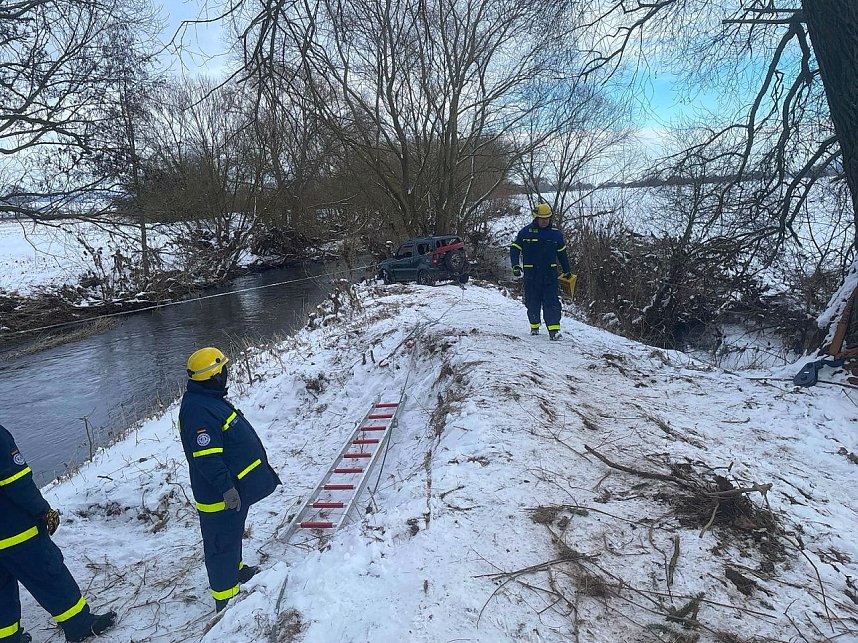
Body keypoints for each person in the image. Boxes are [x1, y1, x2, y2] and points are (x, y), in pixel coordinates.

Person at [178, 347, 281, 613]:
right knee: (220, 544)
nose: (227, 373)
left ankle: (235, 573)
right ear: (214, 375)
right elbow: (207, 458)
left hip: (232, 491)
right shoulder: (199, 411)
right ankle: (226, 599)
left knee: (231, 536)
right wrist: (226, 488)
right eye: (223, 369)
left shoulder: (207, 399)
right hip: (219, 496)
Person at [0, 425, 116, 643]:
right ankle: (78, 624)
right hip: (16, 531)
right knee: (49, 574)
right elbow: (17, 482)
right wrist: (43, 510)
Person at [509, 202, 573, 340]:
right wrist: (515, 265)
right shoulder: (525, 232)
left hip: (549, 275)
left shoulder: (556, 235)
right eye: (542, 218)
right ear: (536, 218)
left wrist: (567, 271)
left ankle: (554, 331)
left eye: (547, 218)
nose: (544, 221)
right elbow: (514, 248)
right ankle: (534, 326)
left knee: (552, 302)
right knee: (532, 302)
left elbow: (562, 254)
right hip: (531, 275)